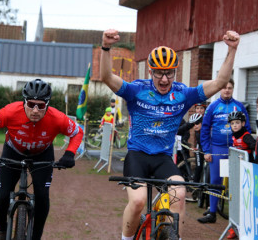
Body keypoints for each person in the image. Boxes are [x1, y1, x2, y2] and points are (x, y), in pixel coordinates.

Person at [100, 28, 240, 240]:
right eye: (159, 73)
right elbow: (106, 77)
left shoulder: (183, 94)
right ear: (150, 72)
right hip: (137, 155)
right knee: (138, 201)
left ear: (175, 71)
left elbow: (220, 82)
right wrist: (106, 47)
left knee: (180, 194)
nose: (164, 79)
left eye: (169, 73)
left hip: (163, 159)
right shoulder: (137, 90)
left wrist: (232, 50)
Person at [0, 79, 83, 240]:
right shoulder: (10, 112)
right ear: (24, 101)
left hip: (42, 154)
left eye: (41, 105)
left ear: (48, 105)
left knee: (42, 196)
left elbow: (77, 132)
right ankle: (2, 229)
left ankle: (36, 236)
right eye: (31, 104)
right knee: (3, 196)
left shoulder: (57, 118)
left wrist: (69, 154)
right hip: (13, 151)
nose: (35, 110)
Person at [198, 78, 250, 227]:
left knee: (236, 182)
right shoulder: (213, 106)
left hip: (235, 149)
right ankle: (212, 212)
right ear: (220, 89)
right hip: (217, 148)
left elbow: (247, 128)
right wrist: (207, 150)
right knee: (215, 181)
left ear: (233, 89)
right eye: (224, 87)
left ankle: (237, 215)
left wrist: (245, 147)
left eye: (230, 88)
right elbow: (205, 129)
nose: (227, 90)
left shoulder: (239, 106)